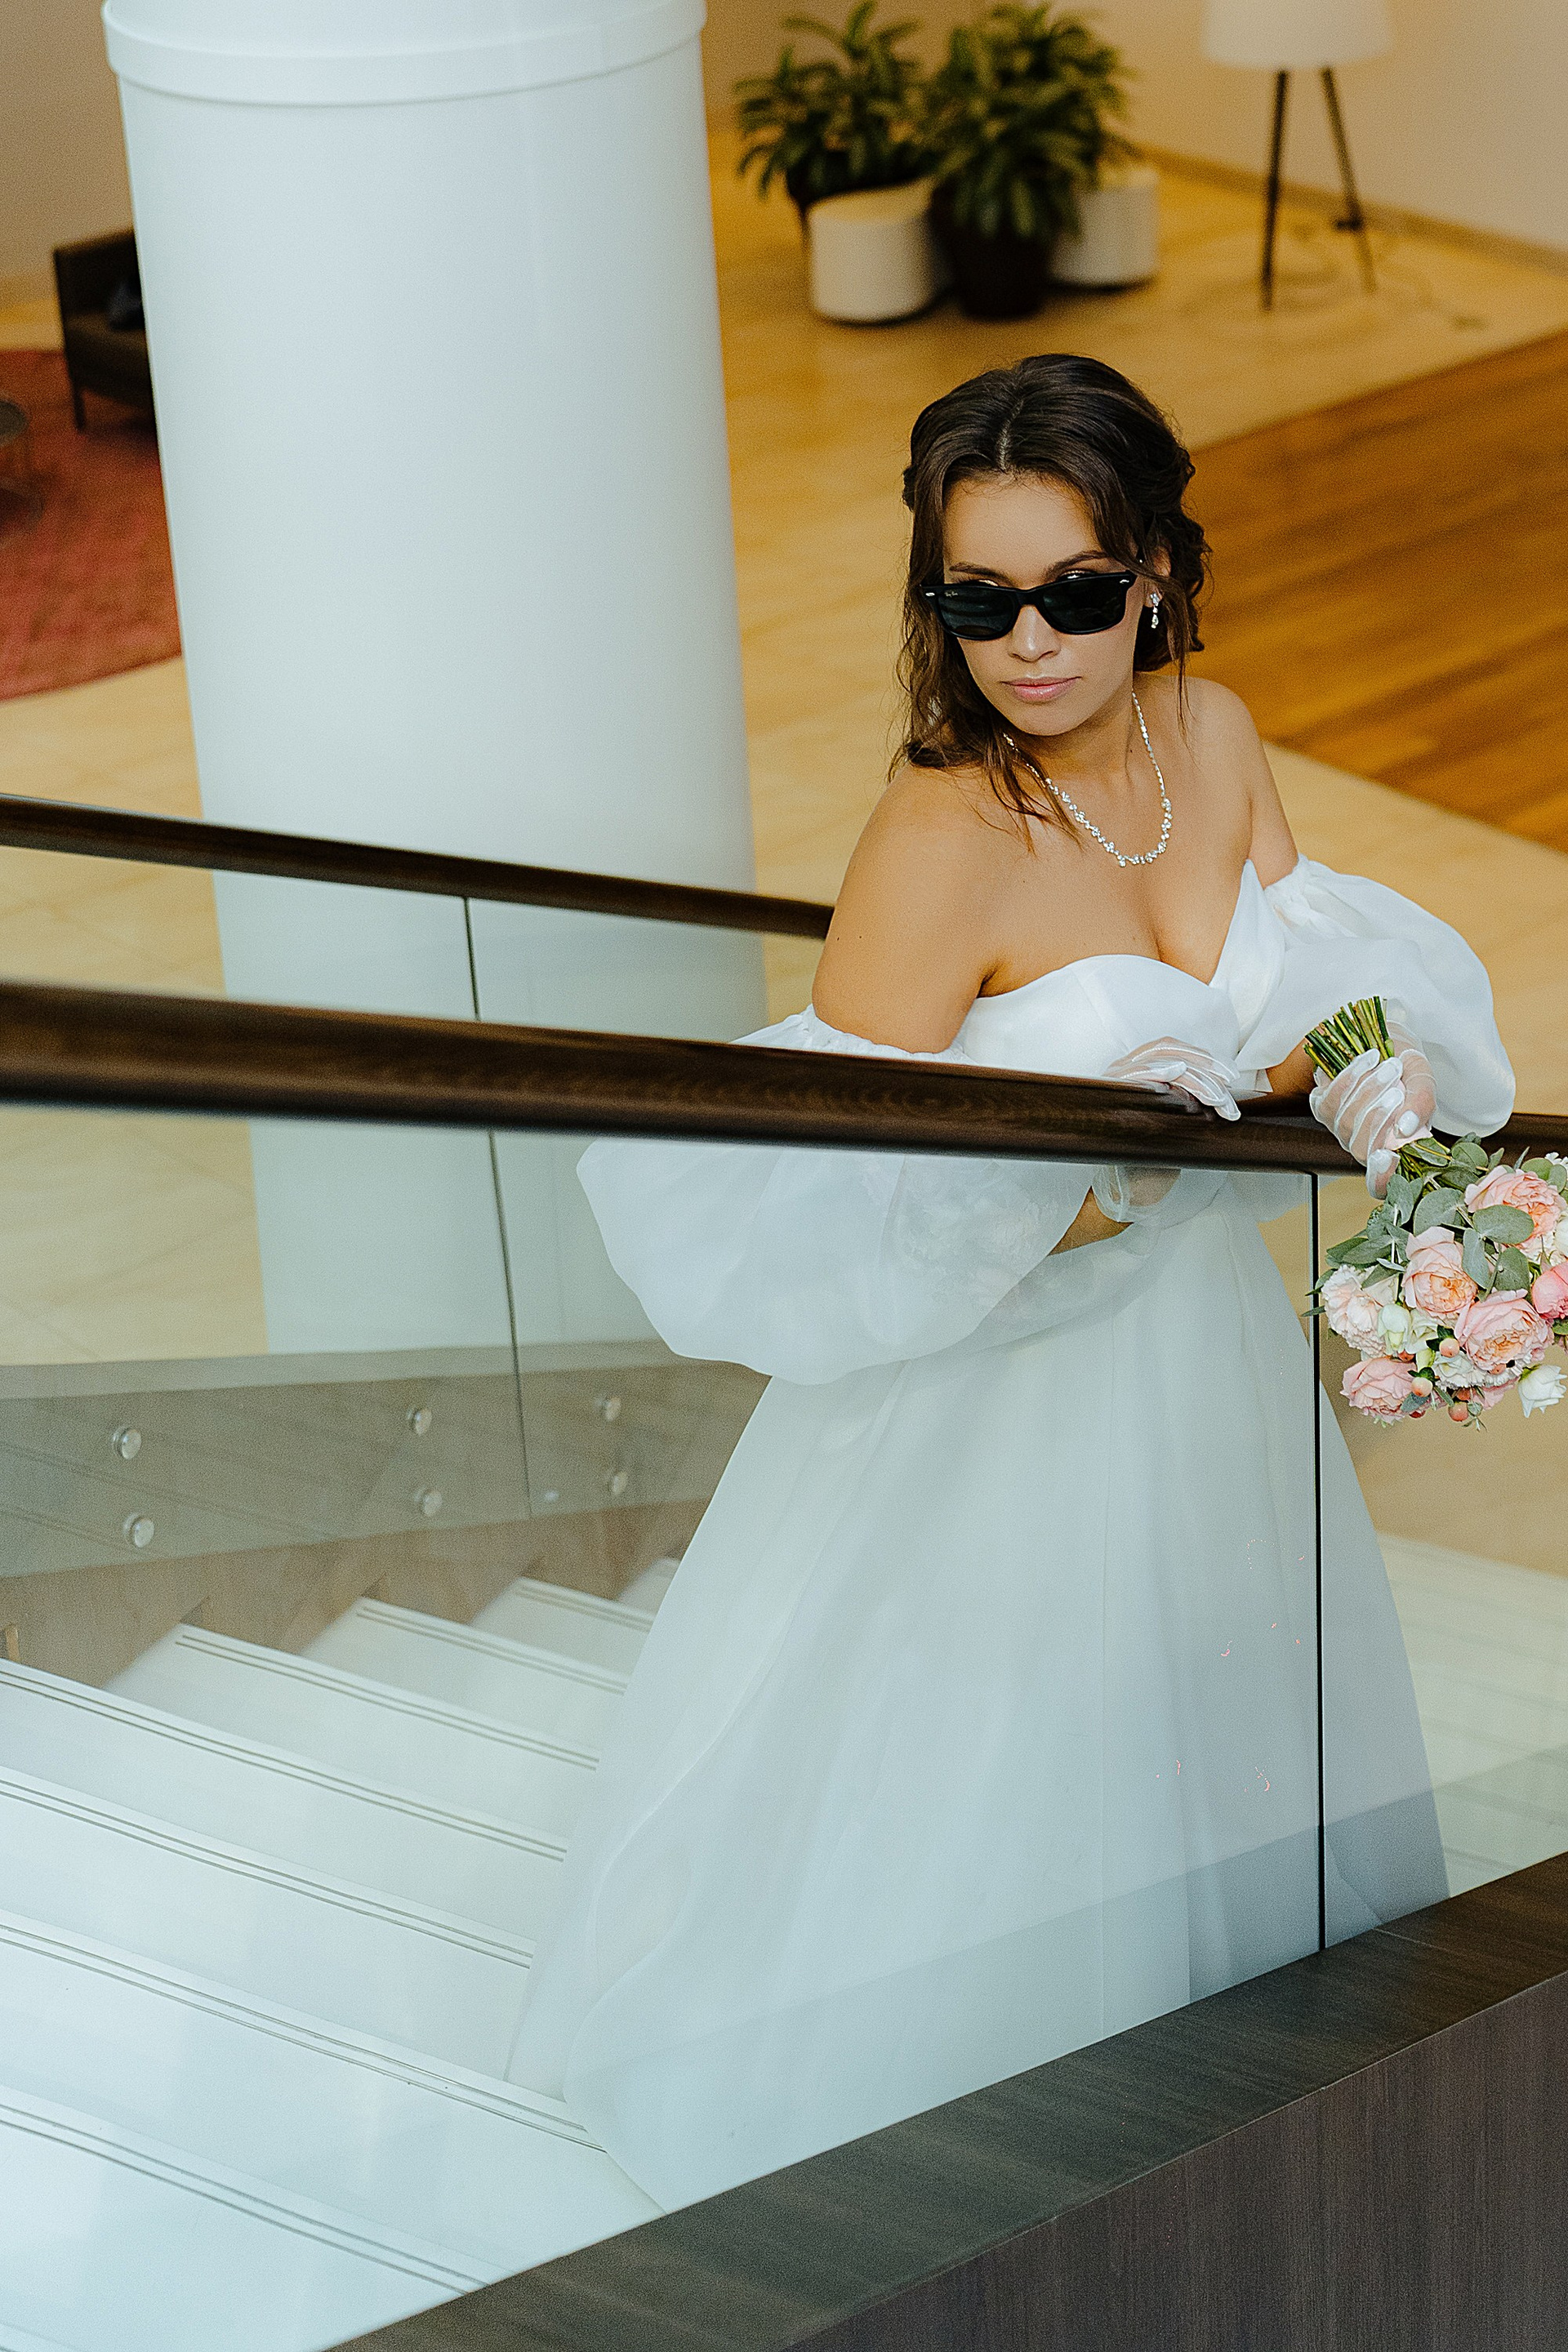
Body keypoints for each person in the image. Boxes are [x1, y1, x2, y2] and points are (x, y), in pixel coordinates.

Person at [506, 354, 1515, 2208]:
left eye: (1075, 592)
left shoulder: (1212, 734)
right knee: (1014, 1781)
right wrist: (1104, 1189)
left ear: (1157, 572)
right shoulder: (939, 840)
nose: (1030, 646)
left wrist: (1357, 1078)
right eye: (978, 603)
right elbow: (838, 1209)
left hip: (1207, 1367)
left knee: (1214, 1719)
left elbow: (1300, 988)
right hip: (1004, 1404)